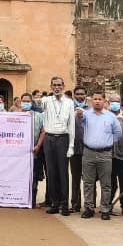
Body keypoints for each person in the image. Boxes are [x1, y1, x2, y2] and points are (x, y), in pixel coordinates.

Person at [79, 93, 123, 220]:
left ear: (105, 102)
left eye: (100, 99)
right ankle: (89, 208)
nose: (97, 101)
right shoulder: (86, 114)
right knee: (88, 182)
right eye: (95, 99)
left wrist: (107, 142)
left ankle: (105, 209)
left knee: (106, 183)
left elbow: (118, 132)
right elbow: (79, 122)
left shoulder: (110, 116)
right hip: (88, 152)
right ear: (91, 101)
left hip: (105, 153)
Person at [40, 77, 76, 216]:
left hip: (63, 138)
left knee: (63, 173)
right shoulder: (47, 101)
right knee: (51, 172)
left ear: (63, 86)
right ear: (51, 86)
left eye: (59, 85)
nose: (56, 87)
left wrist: (71, 145)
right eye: (54, 85)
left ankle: (64, 204)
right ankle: (54, 203)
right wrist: (43, 100)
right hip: (49, 138)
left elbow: (71, 125)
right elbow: (40, 105)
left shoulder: (69, 103)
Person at [23, 92, 46, 208]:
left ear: (31, 103)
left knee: (34, 177)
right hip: (20, 155)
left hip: (35, 152)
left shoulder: (39, 116)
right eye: (24, 101)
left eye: (28, 101)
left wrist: (38, 146)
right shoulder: (15, 115)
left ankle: (31, 201)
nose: (26, 103)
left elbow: (43, 131)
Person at [70, 87, 89, 214]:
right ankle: (75, 204)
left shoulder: (92, 109)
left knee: (89, 179)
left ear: (86, 95)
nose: (80, 96)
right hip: (74, 149)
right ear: (74, 95)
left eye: (82, 94)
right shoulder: (69, 109)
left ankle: (89, 205)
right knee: (75, 178)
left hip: (88, 149)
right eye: (77, 94)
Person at [109, 97, 123, 215]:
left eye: (117, 101)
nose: (114, 103)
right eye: (112, 101)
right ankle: (108, 204)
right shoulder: (106, 116)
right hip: (110, 155)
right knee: (110, 183)